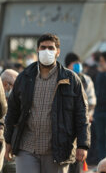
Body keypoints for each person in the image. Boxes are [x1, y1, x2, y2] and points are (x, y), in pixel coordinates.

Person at [4, 33, 90, 173]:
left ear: (58, 52)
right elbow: (12, 111)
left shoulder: (71, 80)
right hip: (26, 147)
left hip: (57, 150)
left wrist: (83, 144)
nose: (47, 51)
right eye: (43, 48)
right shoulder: (25, 77)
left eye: (51, 48)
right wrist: (8, 141)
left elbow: (81, 114)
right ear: (37, 50)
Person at [65, 52, 97, 173]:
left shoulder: (86, 79)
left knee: (79, 153)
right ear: (68, 65)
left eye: (79, 63)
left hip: (82, 121)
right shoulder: (63, 78)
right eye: (75, 63)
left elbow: (92, 100)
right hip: (66, 123)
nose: (78, 65)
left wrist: (87, 115)